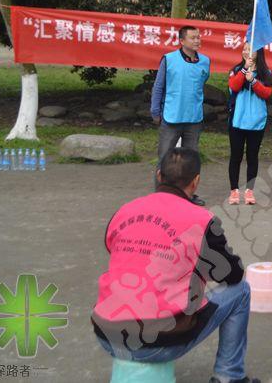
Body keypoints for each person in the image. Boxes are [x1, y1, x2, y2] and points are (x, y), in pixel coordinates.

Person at [92, 148, 259, 383]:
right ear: (196, 181)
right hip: (158, 342)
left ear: (159, 175)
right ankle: (229, 376)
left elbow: (113, 249)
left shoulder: (124, 210)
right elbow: (232, 274)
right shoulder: (201, 220)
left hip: (107, 334)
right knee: (240, 291)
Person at [150, 25, 211, 204]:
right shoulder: (169, 59)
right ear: (182, 41)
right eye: (193, 38)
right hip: (171, 117)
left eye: (198, 37)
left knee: (191, 161)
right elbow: (159, 87)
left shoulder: (205, 61)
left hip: (194, 118)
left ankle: (188, 196)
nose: (197, 40)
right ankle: (160, 197)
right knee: (164, 159)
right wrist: (155, 111)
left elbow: (201, 83)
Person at [227, 45, 272, 205]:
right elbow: (234, 86)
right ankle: (234, 190)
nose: (246, 52)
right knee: (235, 156)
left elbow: (266, 93)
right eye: (245, 48)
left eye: (251, 49)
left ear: (258, 53)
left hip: (257, 122)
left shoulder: (266, 73)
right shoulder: (236, 70)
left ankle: (249, 190)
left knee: (252, 156)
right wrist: (244, 69)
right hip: (237, 121)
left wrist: (253, 81)